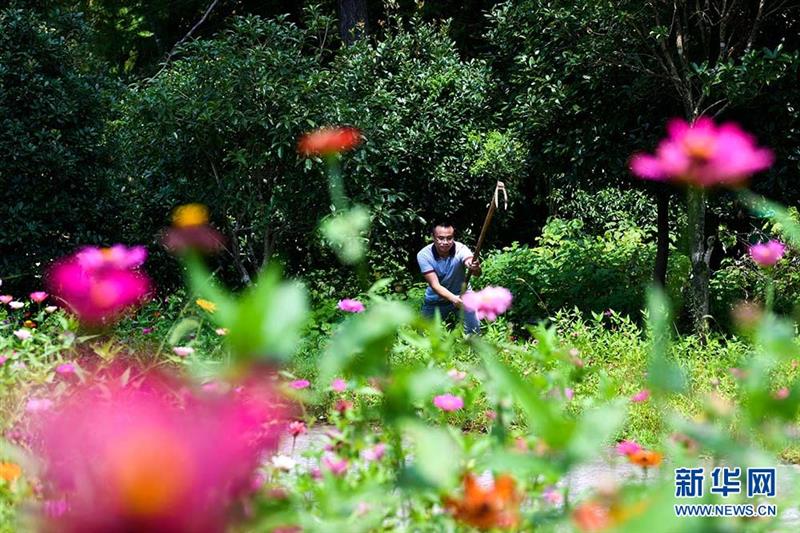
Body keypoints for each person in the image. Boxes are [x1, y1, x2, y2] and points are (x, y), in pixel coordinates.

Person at [416, 220, 482, 334]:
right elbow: (435, 285)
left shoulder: (461, 249)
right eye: (441, 238)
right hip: (436, 299)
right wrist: (454, 299)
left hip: (463, 296)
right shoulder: (424, 255)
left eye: (449, 238)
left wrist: (474, 266)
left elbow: (475, 269)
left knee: (474, 331)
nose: (445, 242)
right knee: (421, 333)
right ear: (433, 237)